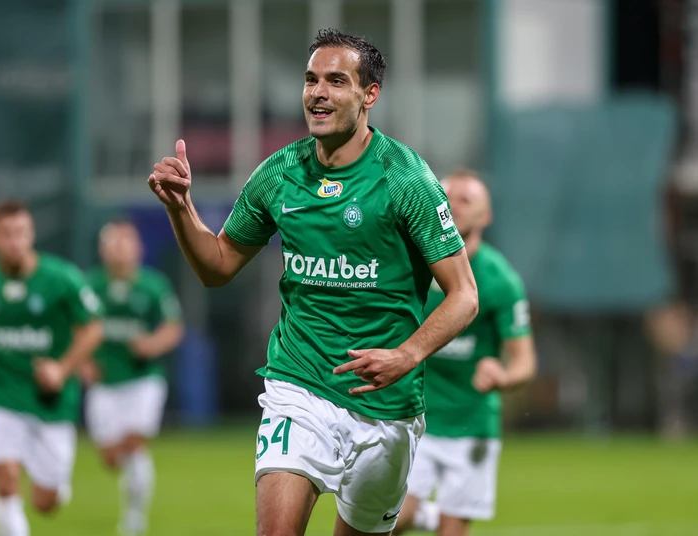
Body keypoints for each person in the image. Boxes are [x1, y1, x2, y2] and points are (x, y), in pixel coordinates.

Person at [148, 28, 478, 536]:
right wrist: (181, 209)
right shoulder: (279, 173)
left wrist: (406, 355)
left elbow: (464, 296)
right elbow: (218, 265)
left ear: (369, 95)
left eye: (336, 81)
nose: (318, 93)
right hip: (298, 387)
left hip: (385, 405)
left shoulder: (406, 179)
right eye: (310, 80)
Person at [0, 199, 103, 536]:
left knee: (45, 503)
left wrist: (62, 369)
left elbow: (93, 329)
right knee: (6, 482)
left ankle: (55, 486)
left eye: (21, 232)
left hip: (51, 402)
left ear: (31, 234)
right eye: (6, 234)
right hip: (2, 394)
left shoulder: (61, 278)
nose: (15, 241)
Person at [394, 171, 537, 536]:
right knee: (393, 519)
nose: (453, 206)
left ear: (485, 216)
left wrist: (502, 376)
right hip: (413, 418)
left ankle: (436, 517)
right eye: (448, 197)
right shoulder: (409, 264)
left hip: (471, 426)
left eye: (465, 200)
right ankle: (426, 515)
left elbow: (524, 361)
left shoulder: (500, 280)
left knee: (452, 531)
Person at [82, 219, 185, 535]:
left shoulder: (153, 285)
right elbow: (72, 328)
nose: (119, 249)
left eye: (125, 242)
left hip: (143, 379)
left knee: (134, 442)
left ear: (138, 248)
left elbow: (172, 327)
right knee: (111, 458)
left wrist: (151, 344)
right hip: (105, 382)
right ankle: (132, 497)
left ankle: (134, 518)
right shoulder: (89, 286)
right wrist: (82, 363)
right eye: (113, 243)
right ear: (102, 250)